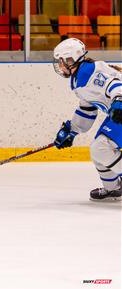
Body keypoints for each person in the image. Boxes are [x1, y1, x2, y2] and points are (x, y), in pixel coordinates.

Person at [52, 38, 122, 202]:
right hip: (118, 109)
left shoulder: (88, 73)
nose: (59, 65)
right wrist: (72, 131)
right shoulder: (79, 78)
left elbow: (115, 84)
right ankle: (113, 188)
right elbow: (87, 109)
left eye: (61, 61)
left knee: (101, 148)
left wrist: (119, 100)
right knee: (98, 151)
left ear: (71, 60)